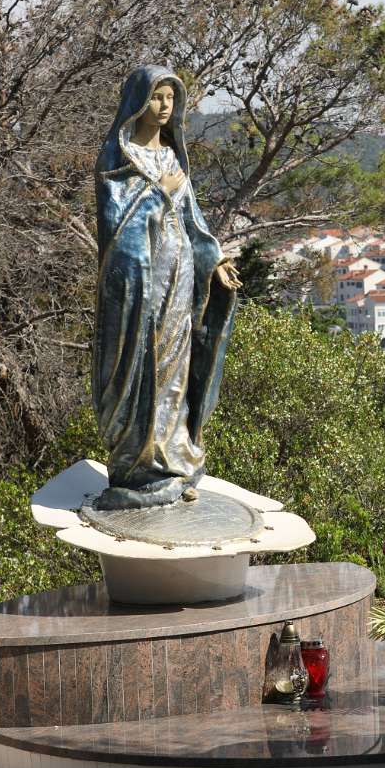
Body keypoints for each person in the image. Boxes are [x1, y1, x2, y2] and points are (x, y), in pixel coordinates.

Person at [92, 65, 241, 510]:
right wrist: (158, 194)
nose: (163, 107)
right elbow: (115, 230)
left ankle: (173, 462)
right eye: (156, 97)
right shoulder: (118, 160)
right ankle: (138, 465)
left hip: (177, 280)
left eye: (171, 100)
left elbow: (193, 223)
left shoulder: (174, 159)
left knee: (174, 371)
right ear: (138, 101)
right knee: (142, 369)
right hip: (138, 289)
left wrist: (214, 262)